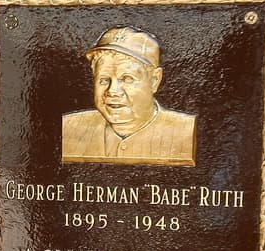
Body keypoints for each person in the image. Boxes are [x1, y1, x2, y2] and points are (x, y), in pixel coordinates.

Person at [61, 26, 196, 165]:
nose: (112, 91)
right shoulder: (68, 128)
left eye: (127, 79)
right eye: (104, 80)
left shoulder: (188, 133)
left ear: (154, 80)